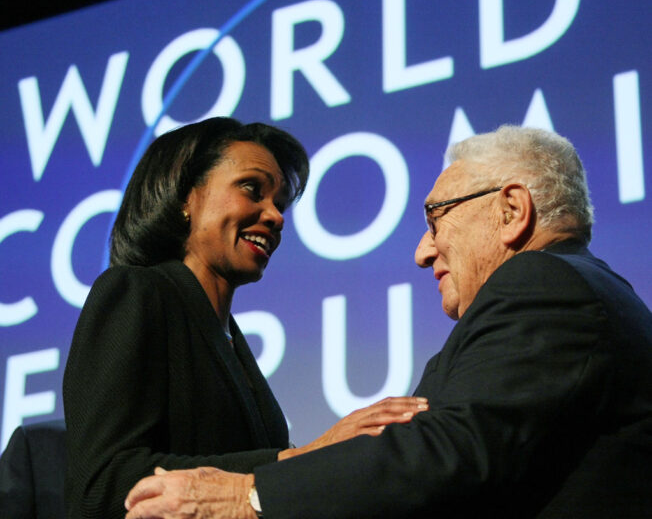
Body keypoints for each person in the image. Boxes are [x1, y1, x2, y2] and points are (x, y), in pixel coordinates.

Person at [125, 125, 652, 519]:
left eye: (434, 219)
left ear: (511, 211)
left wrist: (247, 495)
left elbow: (450, 451)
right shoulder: (577, 292)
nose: (423, 252)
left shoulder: (545, 284)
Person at [63, 117, 427, 519]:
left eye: (280, 204)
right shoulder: (134, 292)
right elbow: (102, 483)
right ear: (186, 196)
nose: (275, 216)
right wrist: (299, 460)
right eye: (252, 190)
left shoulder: (234, 346)